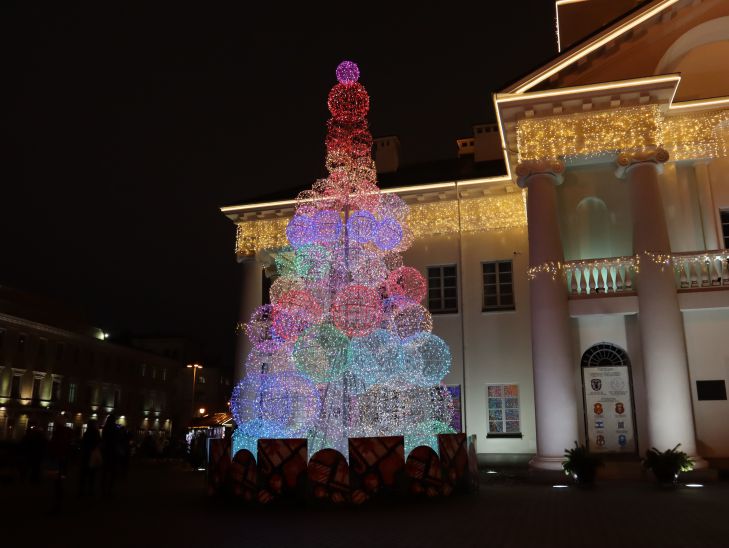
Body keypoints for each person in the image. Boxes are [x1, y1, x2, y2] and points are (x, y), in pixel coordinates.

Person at [79, 420, 101, 496]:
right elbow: (98, 443)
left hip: (86, 455)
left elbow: (83, 444)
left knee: (84, 474)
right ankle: (90, 491)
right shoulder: (96, 433)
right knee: (92, 475)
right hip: (92, 455)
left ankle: (81, 491)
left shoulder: (86, 433)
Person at [101, 414, 120, 496]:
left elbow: (103, 439)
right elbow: (119, 438)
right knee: (112, 472)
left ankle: (103, 489)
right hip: (113, 451)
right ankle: (109, 490)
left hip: (106, 451)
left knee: (105, 472)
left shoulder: (105, 428)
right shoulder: (115, 428)